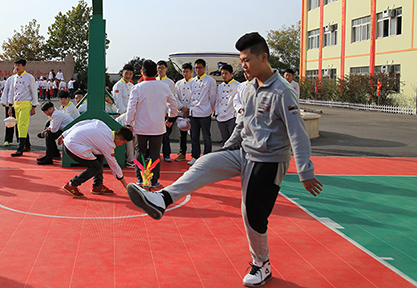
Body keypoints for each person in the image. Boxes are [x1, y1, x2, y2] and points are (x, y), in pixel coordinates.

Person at [126, 32, 323, 287]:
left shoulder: (282, 92)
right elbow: (243, 126)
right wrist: (225, 150)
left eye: (247, 60)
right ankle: (162, 199)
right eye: (241, 60)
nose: (244, 66)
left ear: (263, 57)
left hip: (269, 160)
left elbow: (297, 132)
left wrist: (305, 171)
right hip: (244, 153)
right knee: (203, 162)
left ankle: (261, 264)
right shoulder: (250, 88)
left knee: (251, 214)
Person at [125, 60, 177, 188]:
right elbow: (173, 104)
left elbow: (131, 107)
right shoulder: (164, 86)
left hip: (141, 127)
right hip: (157, 127)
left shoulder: (137, 88)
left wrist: (128, 123)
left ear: (142, 72)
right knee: (155, 153)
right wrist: (171, 118)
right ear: (156, 71)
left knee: (140, 151)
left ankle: (141, 178)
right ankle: (154, 180)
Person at [59, 119, 132, 198]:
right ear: (117, 138)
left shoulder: (101, 124)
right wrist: (125, 184)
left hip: (70, 139)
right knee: (96, 167)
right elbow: (114, 165)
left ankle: (97, 186)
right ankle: (72, 185)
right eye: (123, 143)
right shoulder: (108, 145)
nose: (121, 145)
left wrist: (64, 134)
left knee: (99, 155)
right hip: (73, 147)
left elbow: (81, 123)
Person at [4, 58, 38, 157]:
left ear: (23, 66)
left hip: (25, 104)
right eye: (15, 66)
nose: (17, 67)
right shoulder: (13, 78)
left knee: (22, 125)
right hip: (16, 104)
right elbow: (11, 92)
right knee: (19, 126)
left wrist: (34, 105)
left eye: (19, 65)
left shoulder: (29, 77)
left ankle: (20, 149)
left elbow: (34, 91)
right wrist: (10, 105)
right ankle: (26, 145)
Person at [188, 58, 217, 166]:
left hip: (205, 112)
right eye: (196, 68)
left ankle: (207, 157)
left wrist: (211, 110)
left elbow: (213, 98)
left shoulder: (210, 81)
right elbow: (192, 97)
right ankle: (195, 156)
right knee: (194, 136)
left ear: (204, 68)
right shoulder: (192, 81)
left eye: (200, 67)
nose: (198, 70)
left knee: (206, 136)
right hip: (194, 112)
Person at [215, 64, 240, 144]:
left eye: (226, 73)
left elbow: (238, 101)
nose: (224, 75)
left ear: (231, 74)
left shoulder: (238, 85)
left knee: (233, 141)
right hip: (221, 117)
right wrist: (217, 113)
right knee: (224, 140)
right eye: (222, 73)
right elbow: (217, 100)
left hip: (231, 117)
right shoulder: (220, 86)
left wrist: (236, 116)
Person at [174, 63, 194, 162]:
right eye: (183, 71)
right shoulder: (178, 83)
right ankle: (182, 153)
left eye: (187, 71)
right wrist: (182, 108)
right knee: (182, 134)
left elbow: (197, 97)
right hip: (182, 112)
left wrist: (189, 109)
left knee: (194, 134)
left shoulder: (195, 82)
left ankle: (195, 154)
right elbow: (175, 97)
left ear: (191, 71)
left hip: (193, 111)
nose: (185, 73)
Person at [157, 60, 176, 162]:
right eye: (159, 68)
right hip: (155, 114)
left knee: (165, 136)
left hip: (165, 113)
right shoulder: (154, 81)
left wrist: (170, 115)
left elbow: (171, 99)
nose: (160, 70)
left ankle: (166, 154)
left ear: (166, 69)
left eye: (162, 68)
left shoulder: (170, 83)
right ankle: (153, 155)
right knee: (153, 136)